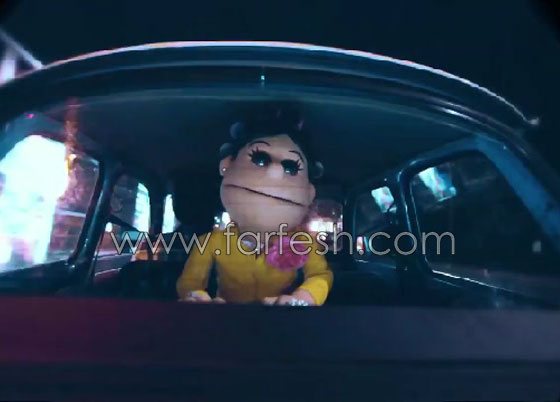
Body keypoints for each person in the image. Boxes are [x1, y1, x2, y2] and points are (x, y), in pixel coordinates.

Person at [176, 105, 333, 306]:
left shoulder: (303, 242)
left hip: (283, 318)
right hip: (227, 318)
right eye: (260, 159)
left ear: (309, 193)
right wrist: (196, 296)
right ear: (227, 166)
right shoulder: (211, 241)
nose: (275, 170)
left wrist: (303, 298)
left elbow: (320, 274)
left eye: (291, 167)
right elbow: (190, 281)